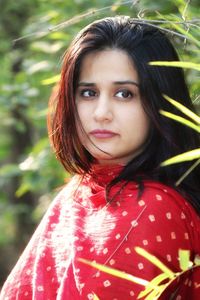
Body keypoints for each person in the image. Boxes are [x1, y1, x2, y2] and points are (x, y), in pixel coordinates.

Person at [1, 16, 200, 300]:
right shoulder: (77, 193)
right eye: (88, 92)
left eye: (124, 94)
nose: (101, 112)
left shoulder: (152, 207)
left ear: (160, 103)